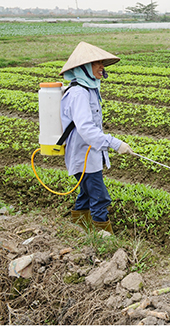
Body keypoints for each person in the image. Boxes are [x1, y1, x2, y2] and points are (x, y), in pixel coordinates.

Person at [59, 41, 134, 234]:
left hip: (89, 155)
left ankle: (79, 232)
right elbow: (86, 129)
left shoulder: (89, 90)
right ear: (83, 67)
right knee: (100, 198)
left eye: (102, 63)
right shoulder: (78, 93)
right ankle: (103, 238)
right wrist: (115, 144)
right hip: (83, 155)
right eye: (96, 63)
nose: (101, 67)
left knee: (86, 194)